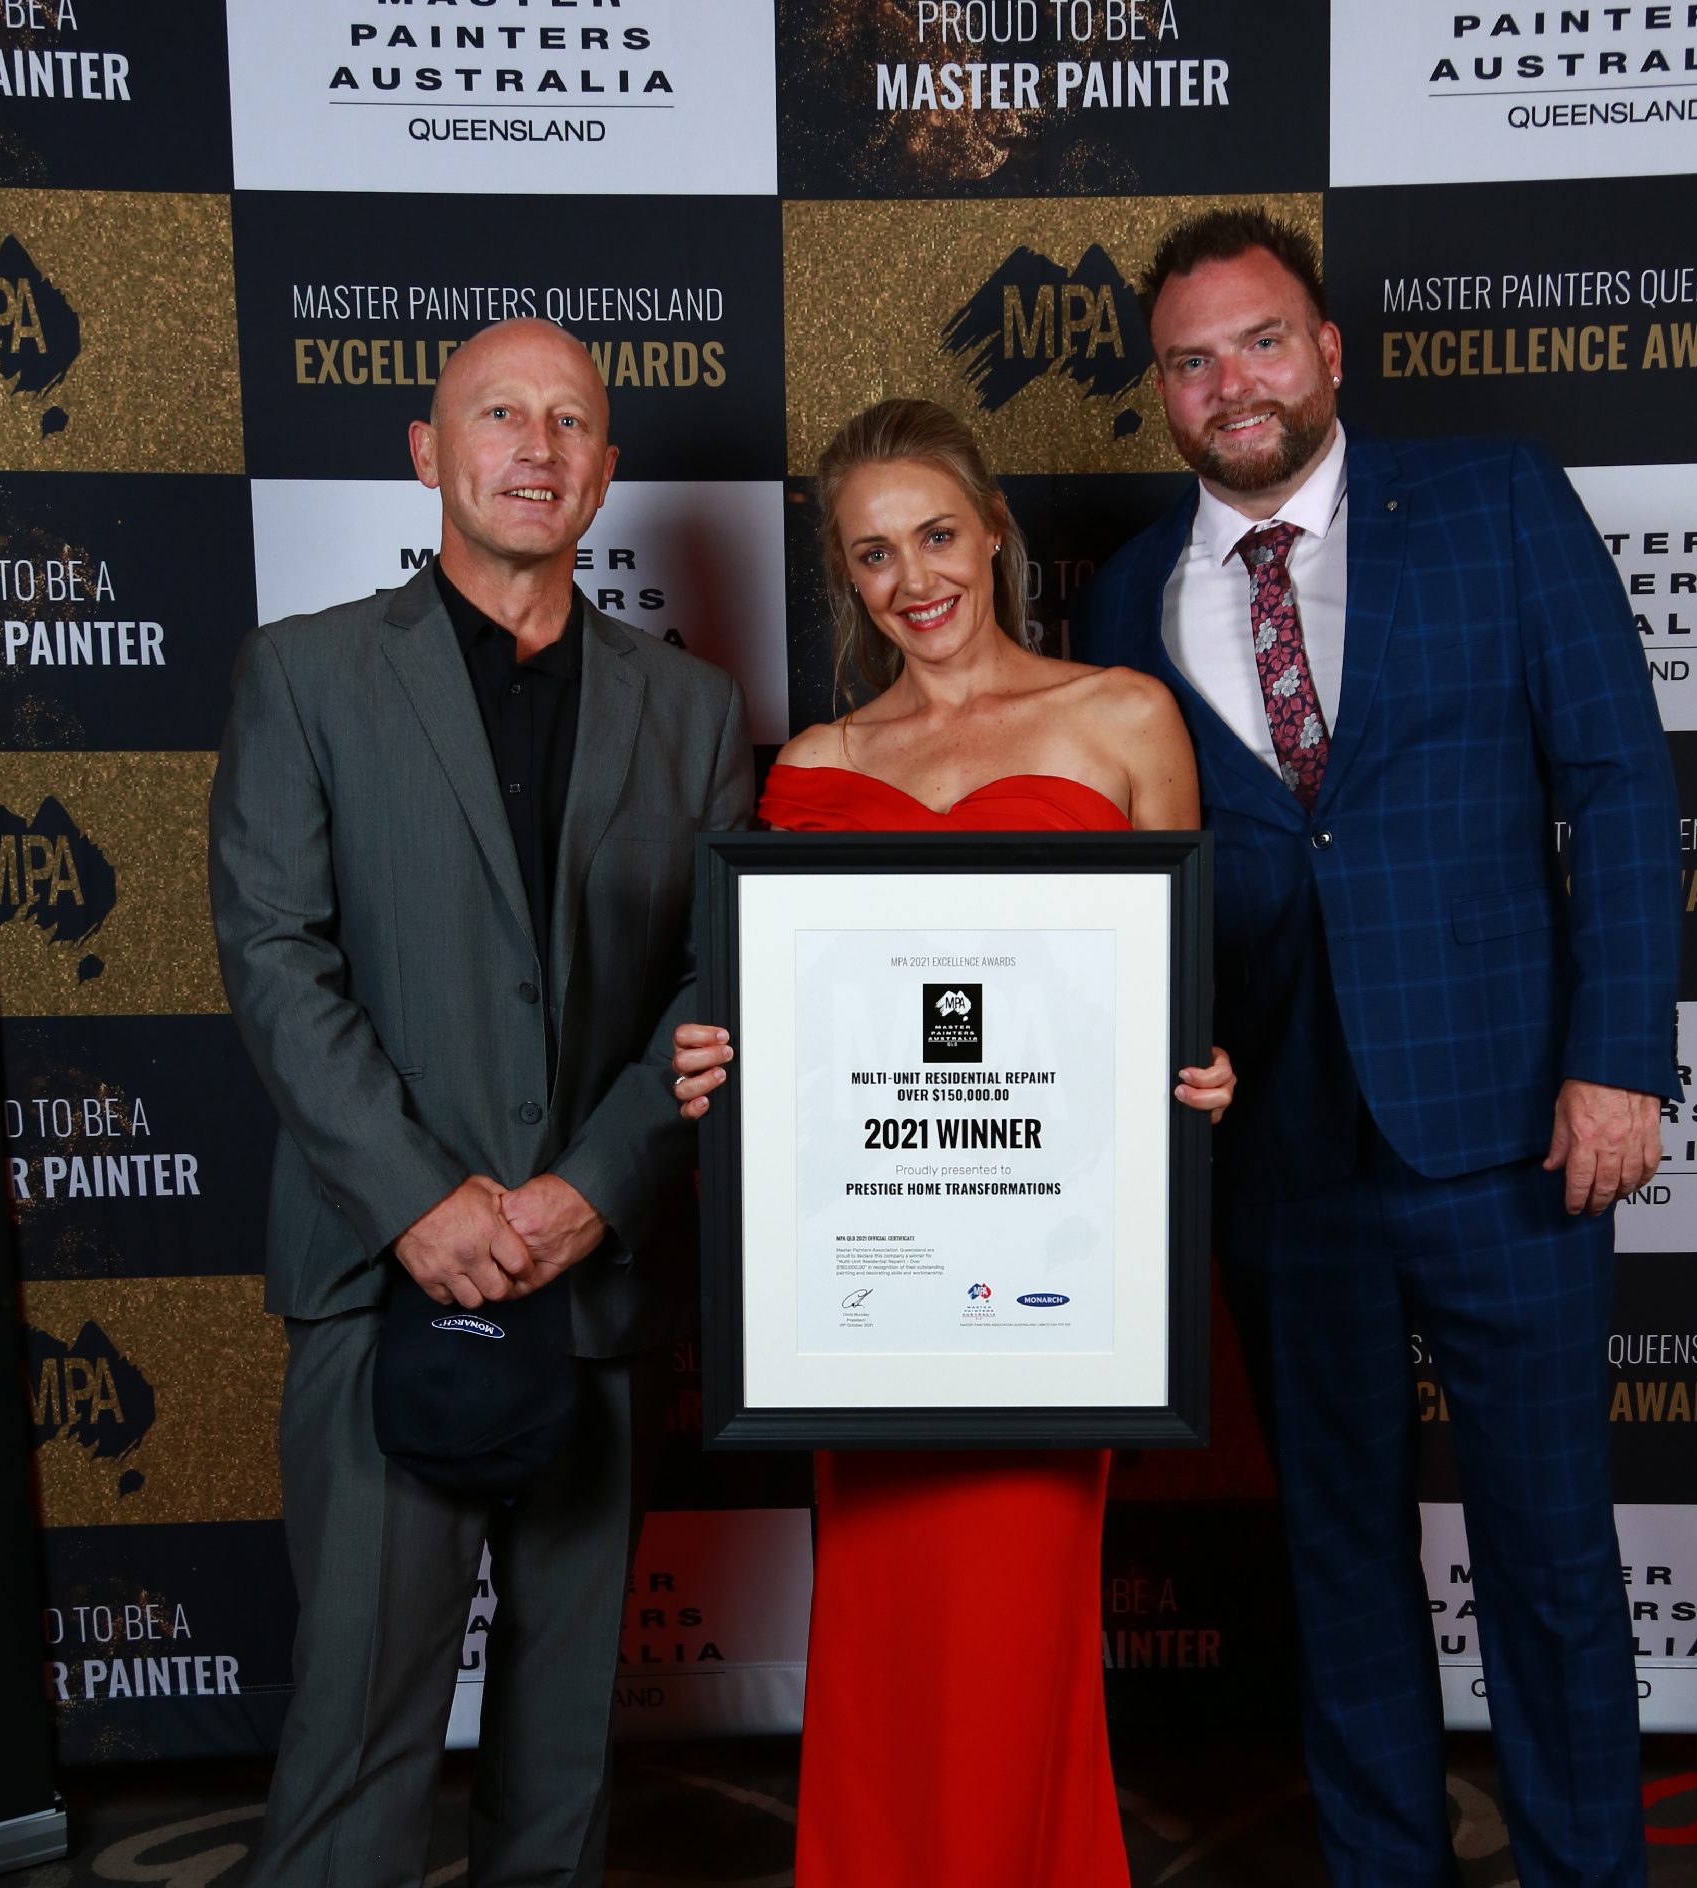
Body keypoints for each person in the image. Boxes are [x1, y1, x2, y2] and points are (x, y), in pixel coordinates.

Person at [1070, 209, 1682, 1888]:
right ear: (1162, 393)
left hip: (1511, 1128)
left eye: (1263, 341)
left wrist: (1620, 1058)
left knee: (1549, 1556)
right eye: (1192, 362)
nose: (1233, 385)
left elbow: (1620, 781)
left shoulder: (1493, 501)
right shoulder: (1127, 594)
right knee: (1338, 1561)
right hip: (1278, 1153)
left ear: (1328, 351)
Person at [209, 317, 753, 1887]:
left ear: (606, 469)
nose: (535, 445)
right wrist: (419, 1201)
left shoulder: (692, 710)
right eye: (498, 413)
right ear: (426, 453)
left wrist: (596, 1187)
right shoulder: (307, 674)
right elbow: (275, 957)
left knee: (567, 1744)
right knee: (360, 1734)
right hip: (387, 1276)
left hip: (599, 1283)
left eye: (569, 420)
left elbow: (717, 983)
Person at [670, 397, 1234, 1888]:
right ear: (845, 579)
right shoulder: (811, 768)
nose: (911, 579)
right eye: (872, 555)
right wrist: (723, 1063)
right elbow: (803, 1038)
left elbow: (1180, 994)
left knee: (1014, 1633)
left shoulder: (1124, 719)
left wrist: (1204, 1072)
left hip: (1054, 1286)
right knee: (882, 1632)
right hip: (870, 1294)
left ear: (992, 532)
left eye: (934, 535)